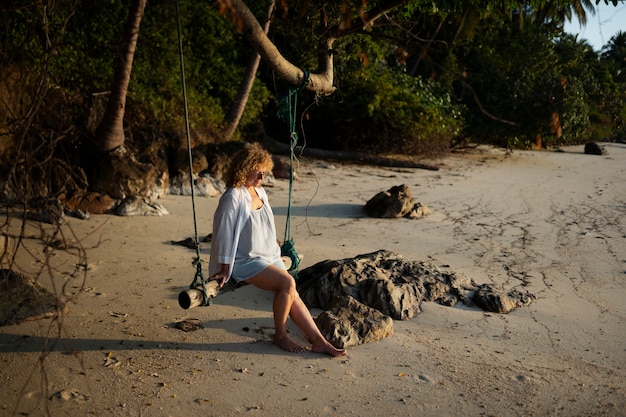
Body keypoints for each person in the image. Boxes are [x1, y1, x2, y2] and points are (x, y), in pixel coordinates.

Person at [207, 143, 346, 357]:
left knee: (293, 294)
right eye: (258, 171)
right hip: (245, 260)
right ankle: (280, 335)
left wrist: (277, 251)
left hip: (268, 254)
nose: (262, 176)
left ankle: (319, 341)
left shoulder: (260, 192)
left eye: (265, 171)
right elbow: (223, 233)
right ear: (244, 168)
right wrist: (225, 268)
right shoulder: (233, 197)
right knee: (287, 283)